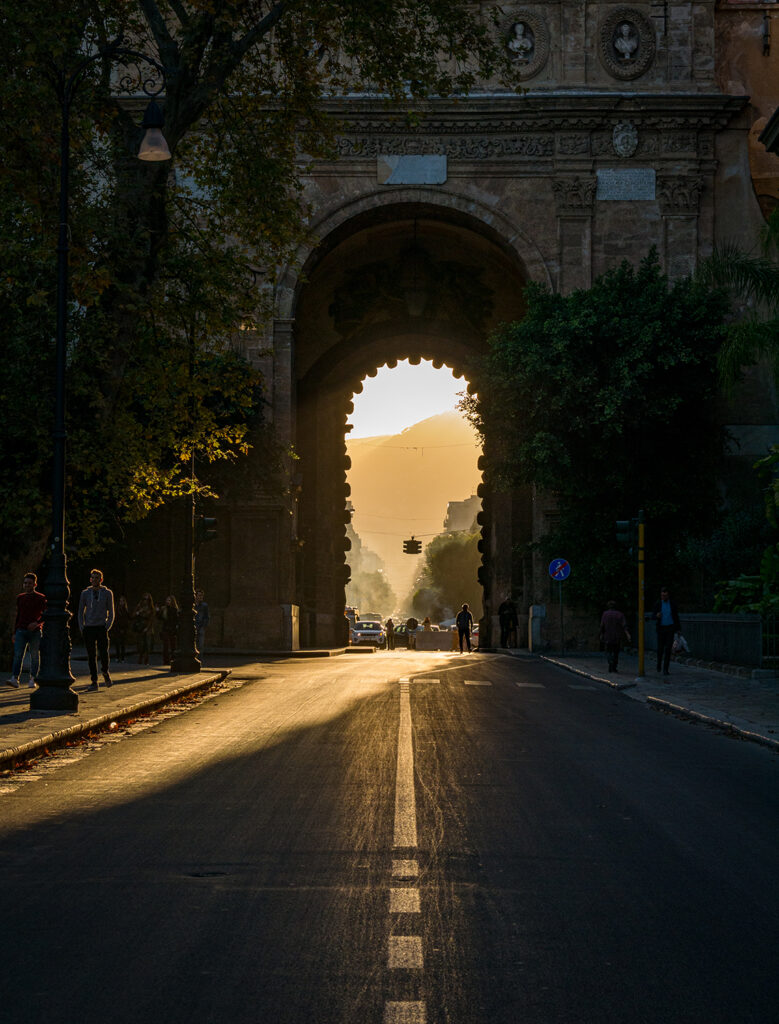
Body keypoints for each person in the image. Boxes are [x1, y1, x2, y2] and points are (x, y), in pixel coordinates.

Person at [7, 572, 47, 689]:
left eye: (29, 583)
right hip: (21, 630)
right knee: (18, 655)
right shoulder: (20, 598)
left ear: (35, 584)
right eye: (25, 583)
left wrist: (37, 623)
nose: (27, 585)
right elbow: (17, 615)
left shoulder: (41, 598)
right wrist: (14, 632)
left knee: (34, 655)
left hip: (35, 631)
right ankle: (15, 677)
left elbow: (45, 614)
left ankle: (33, 678)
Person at [77, 569, 115, 690]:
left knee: (104, 652)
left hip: (101, 627)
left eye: (97, 578)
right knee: (91, 655)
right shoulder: (85, 593)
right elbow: (80, 611)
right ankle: (94, 680)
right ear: (90, 579)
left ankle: (105, 671)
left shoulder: (107, 593)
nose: (94, 580)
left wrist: (107, 626)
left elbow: (111, 611)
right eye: (92, 578)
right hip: (89, 627)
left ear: (101, 579)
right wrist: (82, 627)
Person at [652, 586, 681, 677]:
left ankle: (665, 668)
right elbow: (652, 616)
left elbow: (676, 617)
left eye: (665, 595)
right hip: (661, 628)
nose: (663, 597)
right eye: (662, 595)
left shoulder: (672, 604)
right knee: (660, 648)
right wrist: (657, 616)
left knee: (668, 648)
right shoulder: (658, 604)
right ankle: (659, 664)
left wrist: (678, 629)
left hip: (670, 628)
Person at [599, 600, 630, 673]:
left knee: (608, 651)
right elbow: (624, 625)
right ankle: (614, 666)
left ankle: (610, 663)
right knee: (616, 652)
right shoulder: (620, 614)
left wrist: (601, 634)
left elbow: (602, 625)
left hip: (608, 636)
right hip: (617, 636)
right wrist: (627, 634)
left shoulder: (605, 614)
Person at [133, 593, 156, 666]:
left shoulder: (151, 608)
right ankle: (140, 659)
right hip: (140, 626)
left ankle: (146, 660)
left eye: (147, 599)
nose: (145, 601)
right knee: (141, 644)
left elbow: (151, 619)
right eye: (144, 599)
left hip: (147, 627)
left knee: (147, 645)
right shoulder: (139, 606)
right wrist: (138, 612)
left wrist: (147, 628)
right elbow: (133, 615)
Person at [158, 595, 180, 665]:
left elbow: (176, 620)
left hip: (172, 629)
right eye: (167, 600)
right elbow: (160, 618)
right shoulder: (164, 609)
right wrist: (158, 612)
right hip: (165, 629)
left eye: (169, 600)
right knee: (165, 646)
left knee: (173, 646)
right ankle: (166, 661)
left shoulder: (175, 610)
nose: (167, 602)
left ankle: (173, 660)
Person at [113, 596, 131, 662]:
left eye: (123, 601)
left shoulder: (125, 610)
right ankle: (117, 657)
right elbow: (115, 619)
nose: (121, 602)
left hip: (123, 628)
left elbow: (128, 618)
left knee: (122, 643)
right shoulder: (116, 609)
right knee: (117, 643)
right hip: (117, 628)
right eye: (120, 601)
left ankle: (122, 657)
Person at [195, 589, 210, 656]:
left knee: (200, 645)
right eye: (199, 595)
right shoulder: (193, 605)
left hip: (201, 626)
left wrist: (204, 625)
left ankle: (199, 659)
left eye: (202, 596)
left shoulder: (204, 606)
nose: (201, 597)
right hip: (194, 626)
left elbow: (207, 616)